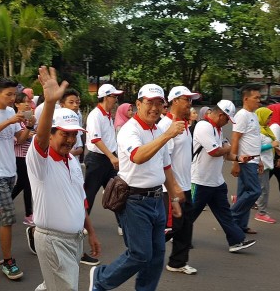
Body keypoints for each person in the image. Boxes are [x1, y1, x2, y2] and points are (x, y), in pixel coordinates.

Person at [90, 83, 185, 291]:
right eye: (149, 102)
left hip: (157, 199)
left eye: (159, 103)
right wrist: (167, 135)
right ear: (138, 104)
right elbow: (138, 156)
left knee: (157, 255)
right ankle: (100, 279)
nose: (154, 108)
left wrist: (175, 199)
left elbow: (166, 165)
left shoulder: (158, 129)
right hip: (134, 201)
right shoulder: (129, 130)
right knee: (140, 254)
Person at [27, 66, 100, 291]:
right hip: (52, 241)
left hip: (74, 239)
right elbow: (39, 139)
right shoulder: (41, 159)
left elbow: (81, 201)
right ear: (51, 133)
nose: (70, 139)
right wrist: (49, 103)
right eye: (64, 133)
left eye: (73, 134)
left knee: (53, 286)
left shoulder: (72, 162)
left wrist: (91, 233)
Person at [0, 77, 33, 280]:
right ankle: (8, 261)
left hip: (11, 172)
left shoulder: (12, 112)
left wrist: (29, 126)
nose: (12, 98)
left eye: (14, 94)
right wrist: (8, 122)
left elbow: (19, 140)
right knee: (9, 217)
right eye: (8, 94)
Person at [190, 100, 256, 253]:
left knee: (225, 214)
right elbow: (214, 152)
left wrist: (239, 158)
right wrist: (227, 148)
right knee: (190, 213)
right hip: (200, 180)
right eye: (227, 119)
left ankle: (236, 241)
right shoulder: (203, 126)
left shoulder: (217, 129)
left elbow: (225, 154)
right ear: (220, 115)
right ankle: (179, 236)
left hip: (216, 182)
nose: (227, 123)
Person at [158, 86, 200, 275]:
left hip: (185, 185)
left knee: (186, 226)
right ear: (175, 101)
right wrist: (174, 188)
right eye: (186, 100)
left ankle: (177, 263)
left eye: (191, 100)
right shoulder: (165, 126)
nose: (190, 104)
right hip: (170, 189)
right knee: (172, 227)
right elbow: (164, 162)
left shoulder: (184, 125)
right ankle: (141, 253)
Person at [84, 84, 123, 241]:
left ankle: (122, 223)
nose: (116, 100)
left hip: (108, 159)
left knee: (117, 192)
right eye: (114, 96)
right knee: (89, 194)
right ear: (106, 97)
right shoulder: (95, 115)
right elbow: (96, 139)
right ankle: (80, 224)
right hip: (97, 159)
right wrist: (112, 156)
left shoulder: (107, 115)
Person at [230, 84, 263, 235]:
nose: (259, 101)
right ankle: (230, 216)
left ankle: (241, 225)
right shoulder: (242, 115)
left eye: (259, 98)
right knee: (254, 191)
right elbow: (235, 139)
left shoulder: (254, 115)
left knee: (244, 193)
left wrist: (260, 159)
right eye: (256, 98)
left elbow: (254, 139)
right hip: (245, 161)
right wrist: (235, 162)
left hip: (253, 160)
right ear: (246, 98)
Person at [11, 92, 36, 227]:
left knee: (22, 183)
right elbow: (17, 141)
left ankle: (5, 203)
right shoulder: (14, 120)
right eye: (24, 102)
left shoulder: (28, 119)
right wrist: (28, 132)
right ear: (16, 104)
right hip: (20, 156)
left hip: (28, 155)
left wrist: (32, 131)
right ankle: (28, 214)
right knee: (27, 185)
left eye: (28, 101)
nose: (27, 104)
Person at [253, 107, 280, 224]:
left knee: (255, 188)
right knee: (264, 190)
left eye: (270, 117)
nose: (269, 119)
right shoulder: (257, 131)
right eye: (268, 116)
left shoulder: (266, 129)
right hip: (261, 164)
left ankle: (240, 200)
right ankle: (261, 213)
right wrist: (272, 145)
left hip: (267, 163)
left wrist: (276, 148)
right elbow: (255, 148)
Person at [59, 89, 84, 158]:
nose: (75, 105)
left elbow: (80, 148)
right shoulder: (56, 121)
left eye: (77, 102)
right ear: (62, 105)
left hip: (73, 162)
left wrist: (72, 153)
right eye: (71, 102)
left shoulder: (76, 119)